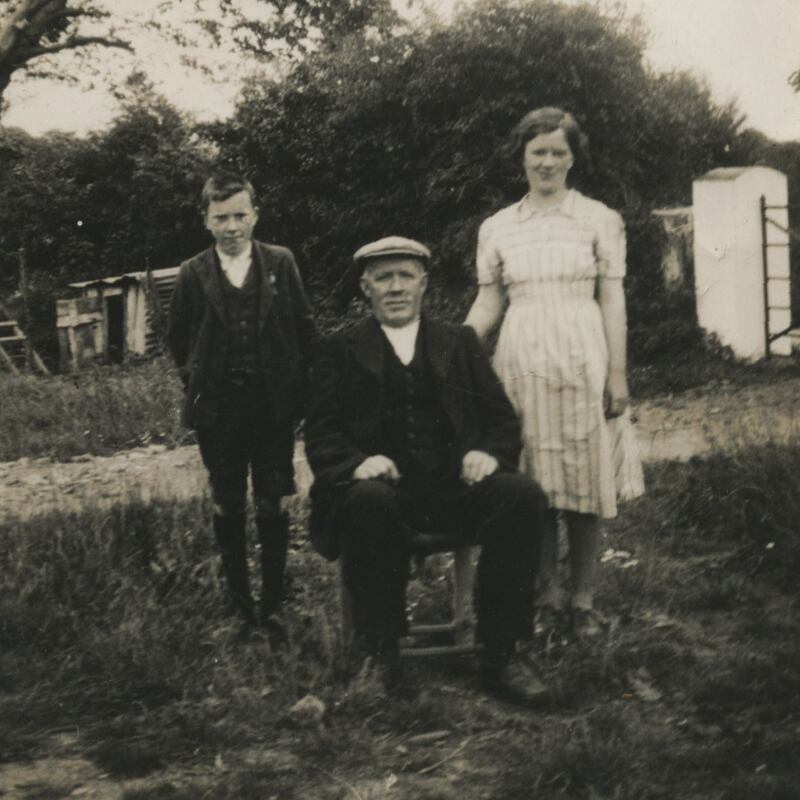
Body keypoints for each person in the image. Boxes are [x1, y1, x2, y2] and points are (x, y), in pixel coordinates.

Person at [305, 236, 548, 703]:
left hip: (453, 492)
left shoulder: (458, 343)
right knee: (369, 500)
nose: (395, 287)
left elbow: (500, 420)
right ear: (365, 288)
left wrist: (488, 454)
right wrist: (357, 464)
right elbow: (321, 435)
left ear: (424, 284)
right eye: (383, 277)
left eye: (405, 276)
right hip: (385, 498)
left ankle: (502, 652)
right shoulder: (340, 349)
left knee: (522, 495)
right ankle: (382, 651)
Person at [465, 107, 643, 641]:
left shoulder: (599, 219)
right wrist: (452, 349)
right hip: (520, 363)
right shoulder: (497, 227)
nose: (547, 162)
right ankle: (544, 599)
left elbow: (612, 299)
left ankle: (583, 601)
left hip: (583, 357)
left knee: (586, 482)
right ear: (522, 157)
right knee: (536, 484)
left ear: (572, 158)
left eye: (558, 153)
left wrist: (617, 373)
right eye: (538, 152)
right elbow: (488, 302)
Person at [167, 172, 315, 635]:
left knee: (272, 502)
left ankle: (272, 606)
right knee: (228, 501)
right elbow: (178, 337)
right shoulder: (193, 273)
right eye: (221, 218)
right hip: (220, 412)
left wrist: (300, 389)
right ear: (205, 221)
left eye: (240, 215)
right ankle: (239, 607)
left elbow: (304, 328)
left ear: (255, 215)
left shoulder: (280, 262)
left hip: (272, 407)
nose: (232, 227)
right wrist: (197, 379)